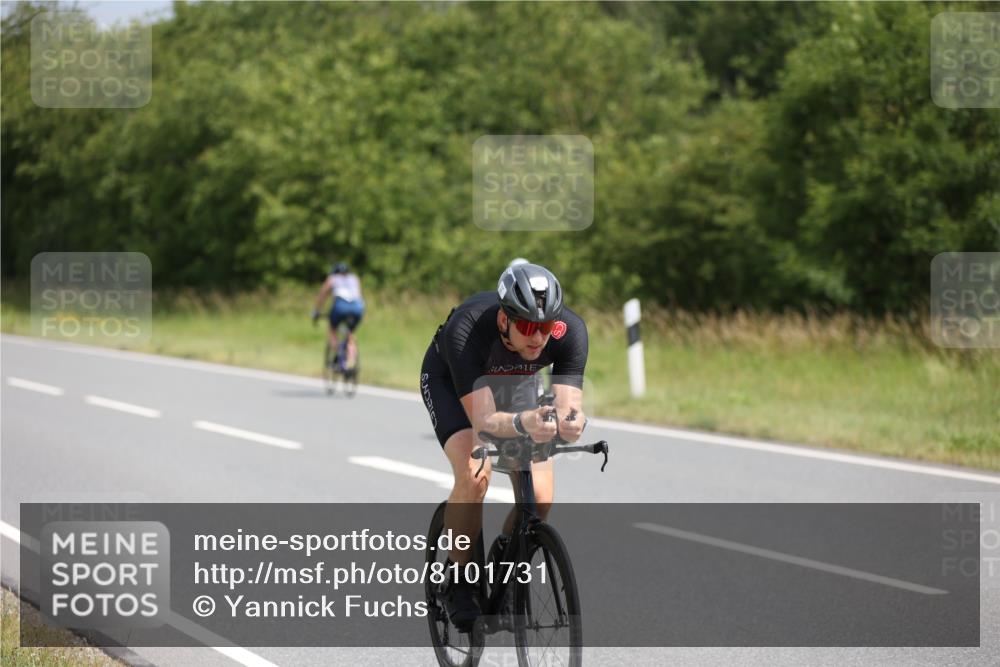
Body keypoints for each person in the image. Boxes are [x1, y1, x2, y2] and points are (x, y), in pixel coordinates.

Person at [420, 263, 588, 632]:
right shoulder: (467, 330)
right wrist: (522, 422)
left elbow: (568, 403)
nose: (538, 337)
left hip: (517, 383)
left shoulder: (569, 332)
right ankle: (461, 579)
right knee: (474, 472)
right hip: (453, 381)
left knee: (539, 498)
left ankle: (506, 562)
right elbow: (484, 423)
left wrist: (570, 421)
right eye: (527, 326)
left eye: (545, 328)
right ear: (503, 319)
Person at [312, 262, 365, 369]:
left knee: (332, 330)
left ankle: (339, 354)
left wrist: (317, 310)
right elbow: (358, 295)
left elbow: (322, 295)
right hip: (358, 307)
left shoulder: (332, 278)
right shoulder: (354, 278)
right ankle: (351, 360)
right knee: (350, 333)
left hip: (341, 306)